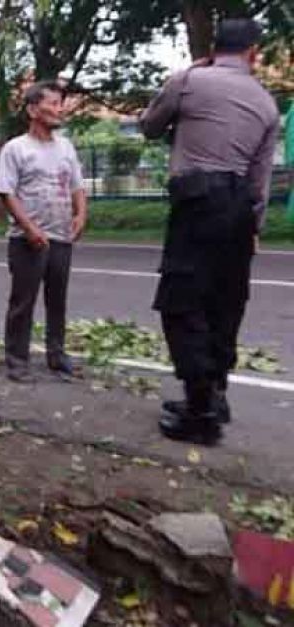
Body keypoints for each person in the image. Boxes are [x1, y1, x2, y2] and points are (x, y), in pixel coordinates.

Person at [140, 18, 280, 444]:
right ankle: (215, 395)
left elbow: (149, 126)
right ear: (253, 53)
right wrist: (253, 225)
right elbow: (261, 180)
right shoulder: (266, 103)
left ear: (214, 49)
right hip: (239, 209)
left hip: (198, 202)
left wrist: (186, 75)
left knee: (182, 303)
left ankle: (200, 413)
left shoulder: (189, 81)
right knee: (225, 303)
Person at [0, 81, 88, 383]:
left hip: (60, 236)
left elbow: (77, 186)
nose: (59, 109)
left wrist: (81, 215)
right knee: (23, 301)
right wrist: (30, 228)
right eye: (53, 103)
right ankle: (17, 359)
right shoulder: (16, 149)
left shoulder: (66, 147)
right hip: (27, 240)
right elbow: (7, 193)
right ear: (33, 109)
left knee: (57, 299)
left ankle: (57, 354)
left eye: (61, 103)